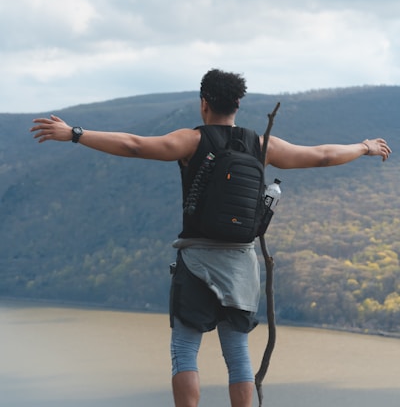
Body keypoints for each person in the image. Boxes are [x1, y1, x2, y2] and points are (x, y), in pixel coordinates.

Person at [30, 68, 391, 407]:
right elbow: (322, 156)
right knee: (237, 353)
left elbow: (134, 145)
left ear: (204, 103)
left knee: (185, 349)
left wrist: (75, 133)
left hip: (197, 260)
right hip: (241, 264)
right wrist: (363, 147)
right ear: (238, 104)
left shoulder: (191, 141)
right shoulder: (261, 145)